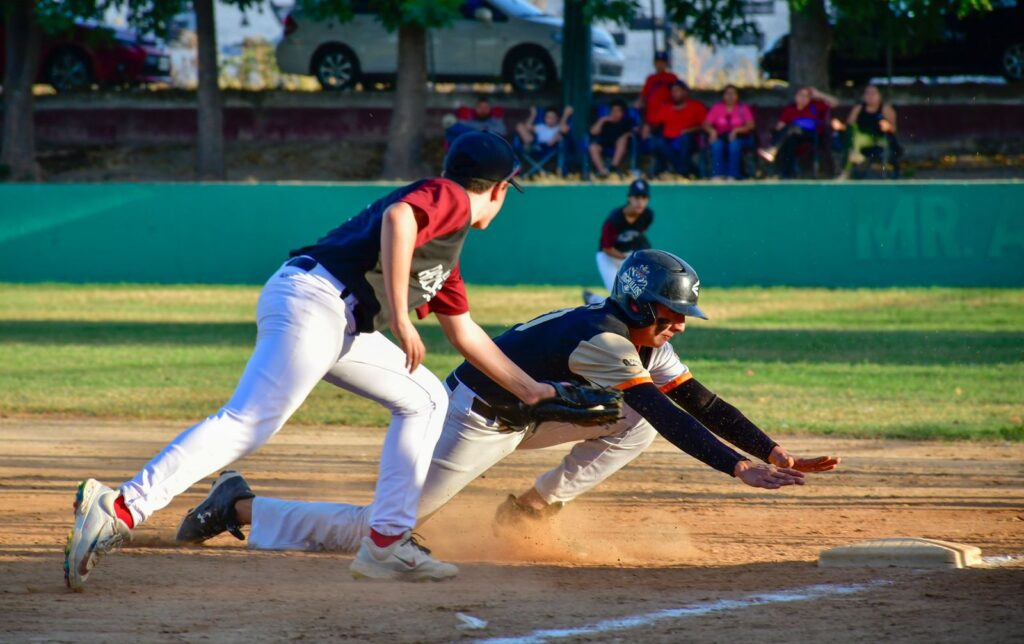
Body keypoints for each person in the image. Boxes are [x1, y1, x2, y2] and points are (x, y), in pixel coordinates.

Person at [64, 132, 563, 588]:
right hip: (316, 301)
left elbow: (464, 331)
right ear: (499, 189)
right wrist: (405, 321)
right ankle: (122, 506)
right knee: (250, 422)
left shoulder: (444, 256)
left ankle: (386, 544)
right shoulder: (451, 197)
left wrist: (534, 392)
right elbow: (399, 218)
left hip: (333, 317)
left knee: (425, 398)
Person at [174, 250, 840, 559]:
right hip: (473, 418)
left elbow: (695, 400)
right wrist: (735, 469)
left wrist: (771, 451)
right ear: (640, 304)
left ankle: (530, 509)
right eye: (673, 312)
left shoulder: (640, 338)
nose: (681, 324)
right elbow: (673, 418)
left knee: (631, 419)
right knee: (376, 533)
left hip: (530, 413)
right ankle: (238, 505)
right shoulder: (607, 340)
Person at [583, 178, 653, 306]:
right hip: (607, 257)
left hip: (627, 255)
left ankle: (593, 299)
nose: (640, 202)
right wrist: (627, 258)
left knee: (636, 296)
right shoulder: (614, 219)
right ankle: (594, 300)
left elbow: (640, 234)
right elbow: (607, 248)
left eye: (644, 197)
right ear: (629, 198)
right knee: (619, 297)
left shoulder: (647, 215)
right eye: (636, 197)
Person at [759, 86, 838, 178]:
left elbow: (835, 103)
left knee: (793, 128)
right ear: (796, 96)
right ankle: (786, 174)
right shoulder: (790, 109)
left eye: (806, 96)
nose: (803, 98)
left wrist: (819, 94)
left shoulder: (815, 106)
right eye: (801, 95)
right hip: (793, 136)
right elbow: (780, 125)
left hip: (811, 134)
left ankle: (773, 149)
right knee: (789, 142)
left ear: (810, 98)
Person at [648, 81, 708, 177]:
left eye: (677, 90)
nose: (674, 93)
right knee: (657, 142)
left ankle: (679, 170)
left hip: (690, 140)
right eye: (672, 91)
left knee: (685, 138)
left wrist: (690, 130)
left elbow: (705, 125)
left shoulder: (696, 106)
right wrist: (646, 127)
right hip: (669, 141)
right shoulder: (666, 107)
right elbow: (654, 123)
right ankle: (682, 169)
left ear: (685, 92)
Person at [841, 84, 900, 178]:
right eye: (867, 93)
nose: (870, 96)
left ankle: (859, 161)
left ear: (879, 95)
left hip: (880, 141)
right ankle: (847, 172)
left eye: (873, 93)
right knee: (851, 142)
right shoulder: (858, 109)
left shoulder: (886, 109)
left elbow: (893, 129)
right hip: (860, 141)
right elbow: (849, 125)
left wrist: (887, 126)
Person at [703, 85, 756, 180]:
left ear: (738, 96)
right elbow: (706, 124)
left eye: (733, 93)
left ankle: (733, 175)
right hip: (721, 136)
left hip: (740, 137)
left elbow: (751, 125)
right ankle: (718, 175)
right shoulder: (717, 108)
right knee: (716, 145)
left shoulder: (743, 108)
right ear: (723, 95)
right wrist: (712, 131)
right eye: (727, 93)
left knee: (734, 145)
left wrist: (737, 130)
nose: (730, 96)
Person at [588, 99, 635, 177]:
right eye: (613, 111)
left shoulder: (627, 122)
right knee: (593, 147)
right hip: (605, 144)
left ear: (623, 113)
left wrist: (627, 135)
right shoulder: (606, 122)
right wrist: (602, 120)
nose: (615, 113)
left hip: (621, 147)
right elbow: (593, 132)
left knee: (621, 140)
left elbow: (633, 132)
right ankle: (603, 171)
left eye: (617, 111)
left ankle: (613, 168)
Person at [635, 51, 679, 129]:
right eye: (658, 62)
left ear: (666, 64)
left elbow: (677, 95)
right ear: (654, 63)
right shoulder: (650, 79)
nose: (660, 65)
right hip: (651, 117)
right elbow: (643, 96)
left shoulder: (672, 77)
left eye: (663, 62)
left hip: (667, 117)